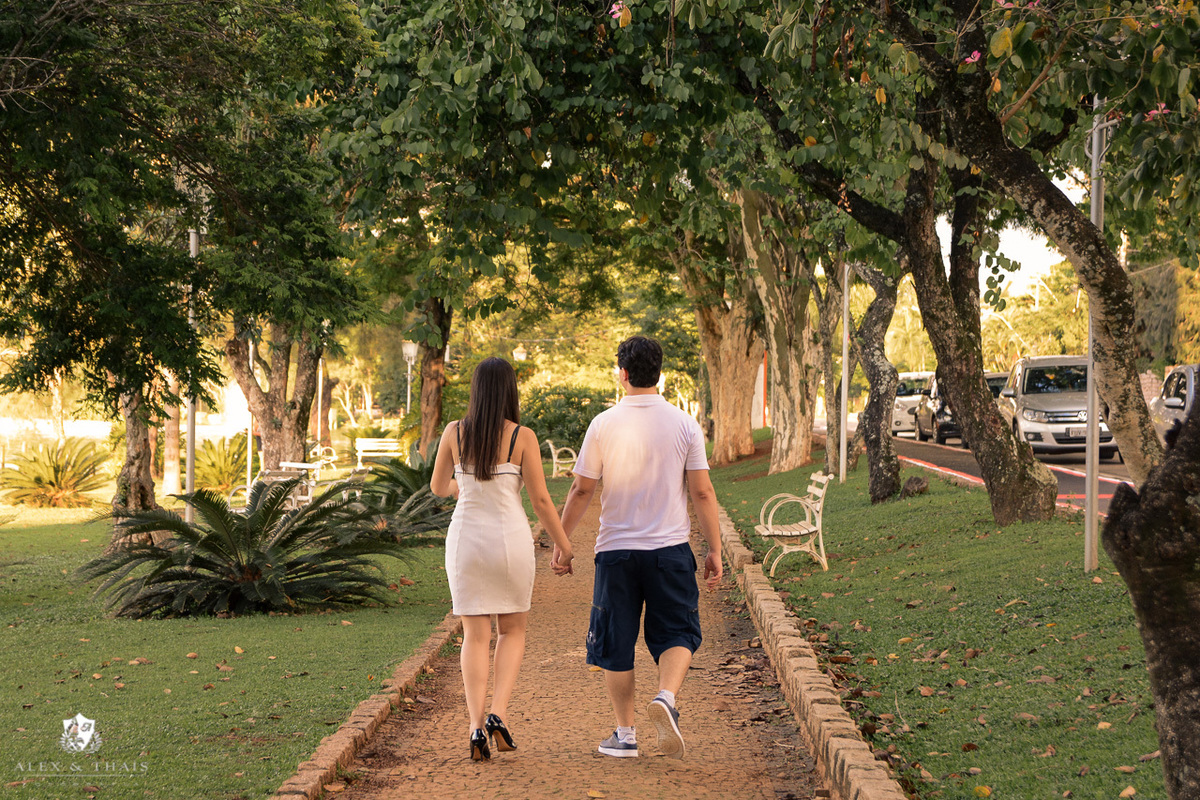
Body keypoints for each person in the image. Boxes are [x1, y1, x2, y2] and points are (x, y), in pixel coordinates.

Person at [557, 336, 722, 760]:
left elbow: (581, 490)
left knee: (615, 641)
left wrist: (562, 541)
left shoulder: (603, 423)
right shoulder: (685, 424)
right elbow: (702, 492)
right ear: (659, 374)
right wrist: (715, 549)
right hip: (671, 550)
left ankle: (626, 735)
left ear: (623, 373)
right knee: (678, 631)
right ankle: (666, 696)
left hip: (617, 552)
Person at [430, 357, 574, 762]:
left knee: (474, 636)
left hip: (466, 542)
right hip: (509, 542)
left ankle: (476, 726)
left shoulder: (454, 432)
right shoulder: (522, 436)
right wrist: (564, 545)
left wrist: (462, 488)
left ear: (476, 390)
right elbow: (541, 500)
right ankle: (498, 713)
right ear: (510, 391)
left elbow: (438, 486)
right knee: (512, 631)